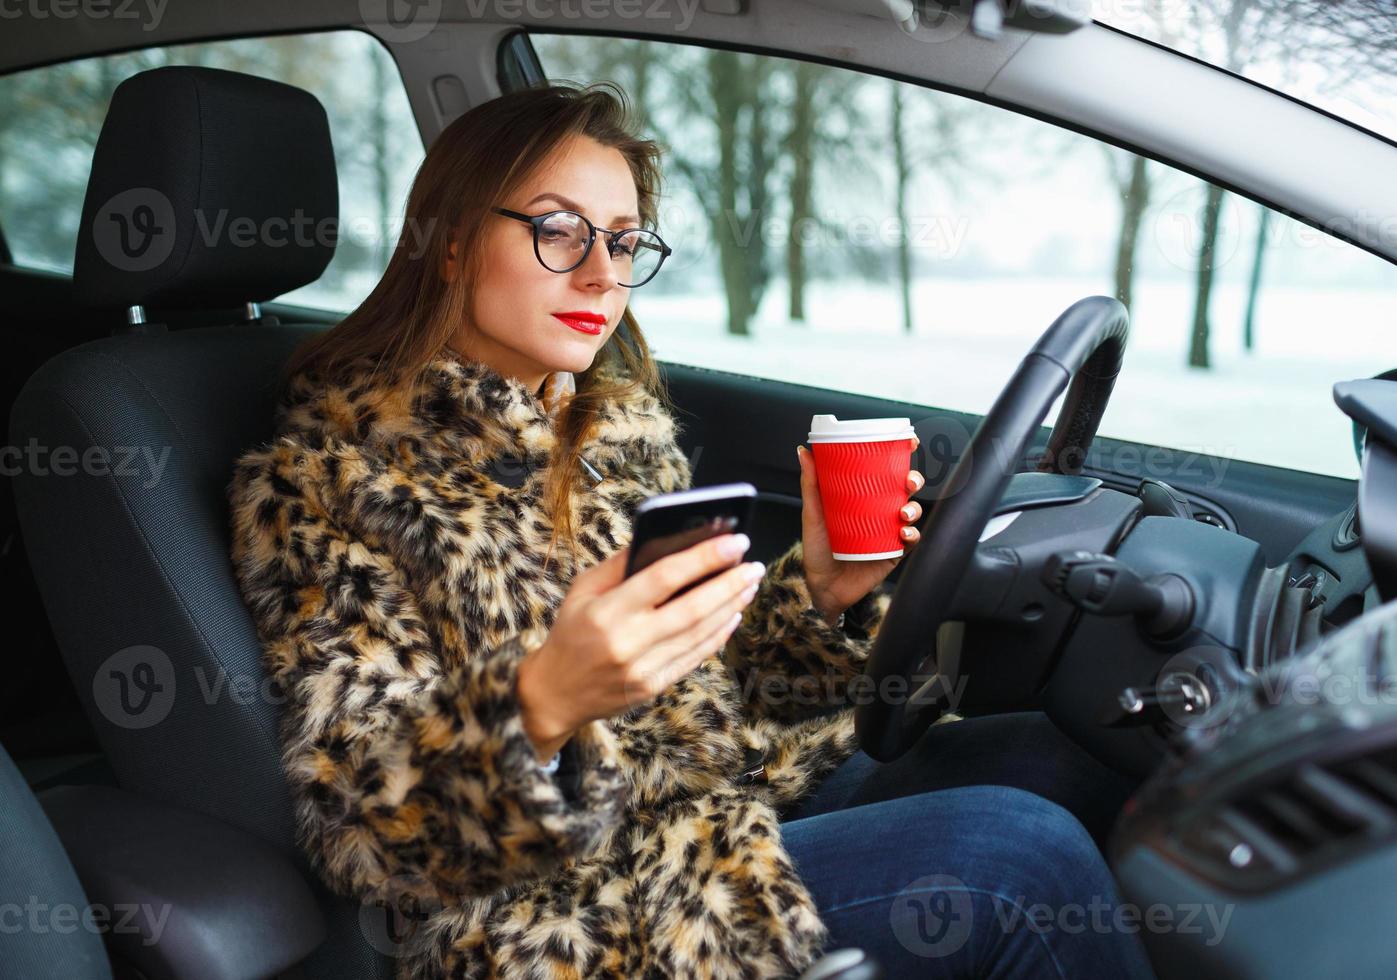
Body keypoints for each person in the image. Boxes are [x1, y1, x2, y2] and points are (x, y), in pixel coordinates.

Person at [227, 81, 1154, 979]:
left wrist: (820, 592)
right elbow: (367, 831)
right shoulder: (325, 483)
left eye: (625, 242)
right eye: (558, 230)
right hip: (574, 914)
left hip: (724, 805)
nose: (602, 272)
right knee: (1018, 858)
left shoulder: (607, 427)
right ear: (455, 242)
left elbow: (703, 701)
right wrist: (543, 703)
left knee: (1060, 751)